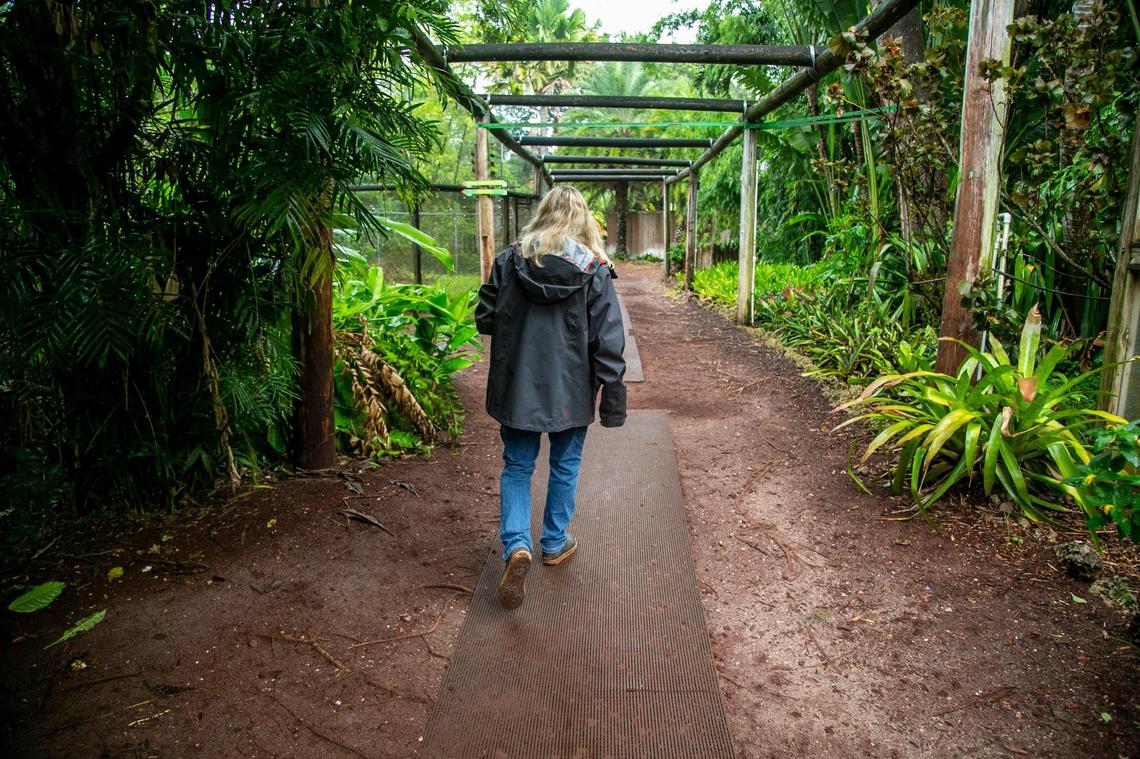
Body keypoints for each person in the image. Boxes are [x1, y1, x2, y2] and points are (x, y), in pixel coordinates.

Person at [474, 186, 627, 609]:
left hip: (518, 385)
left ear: (541, 215)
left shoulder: (509, 260)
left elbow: (485, 319)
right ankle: (555, 542)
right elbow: (608, 340)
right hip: (571, 390)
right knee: (565, 464)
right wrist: (612, 390)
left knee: (517, 466)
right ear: (582, 221)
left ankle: (516, 545)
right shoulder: (594, 269)